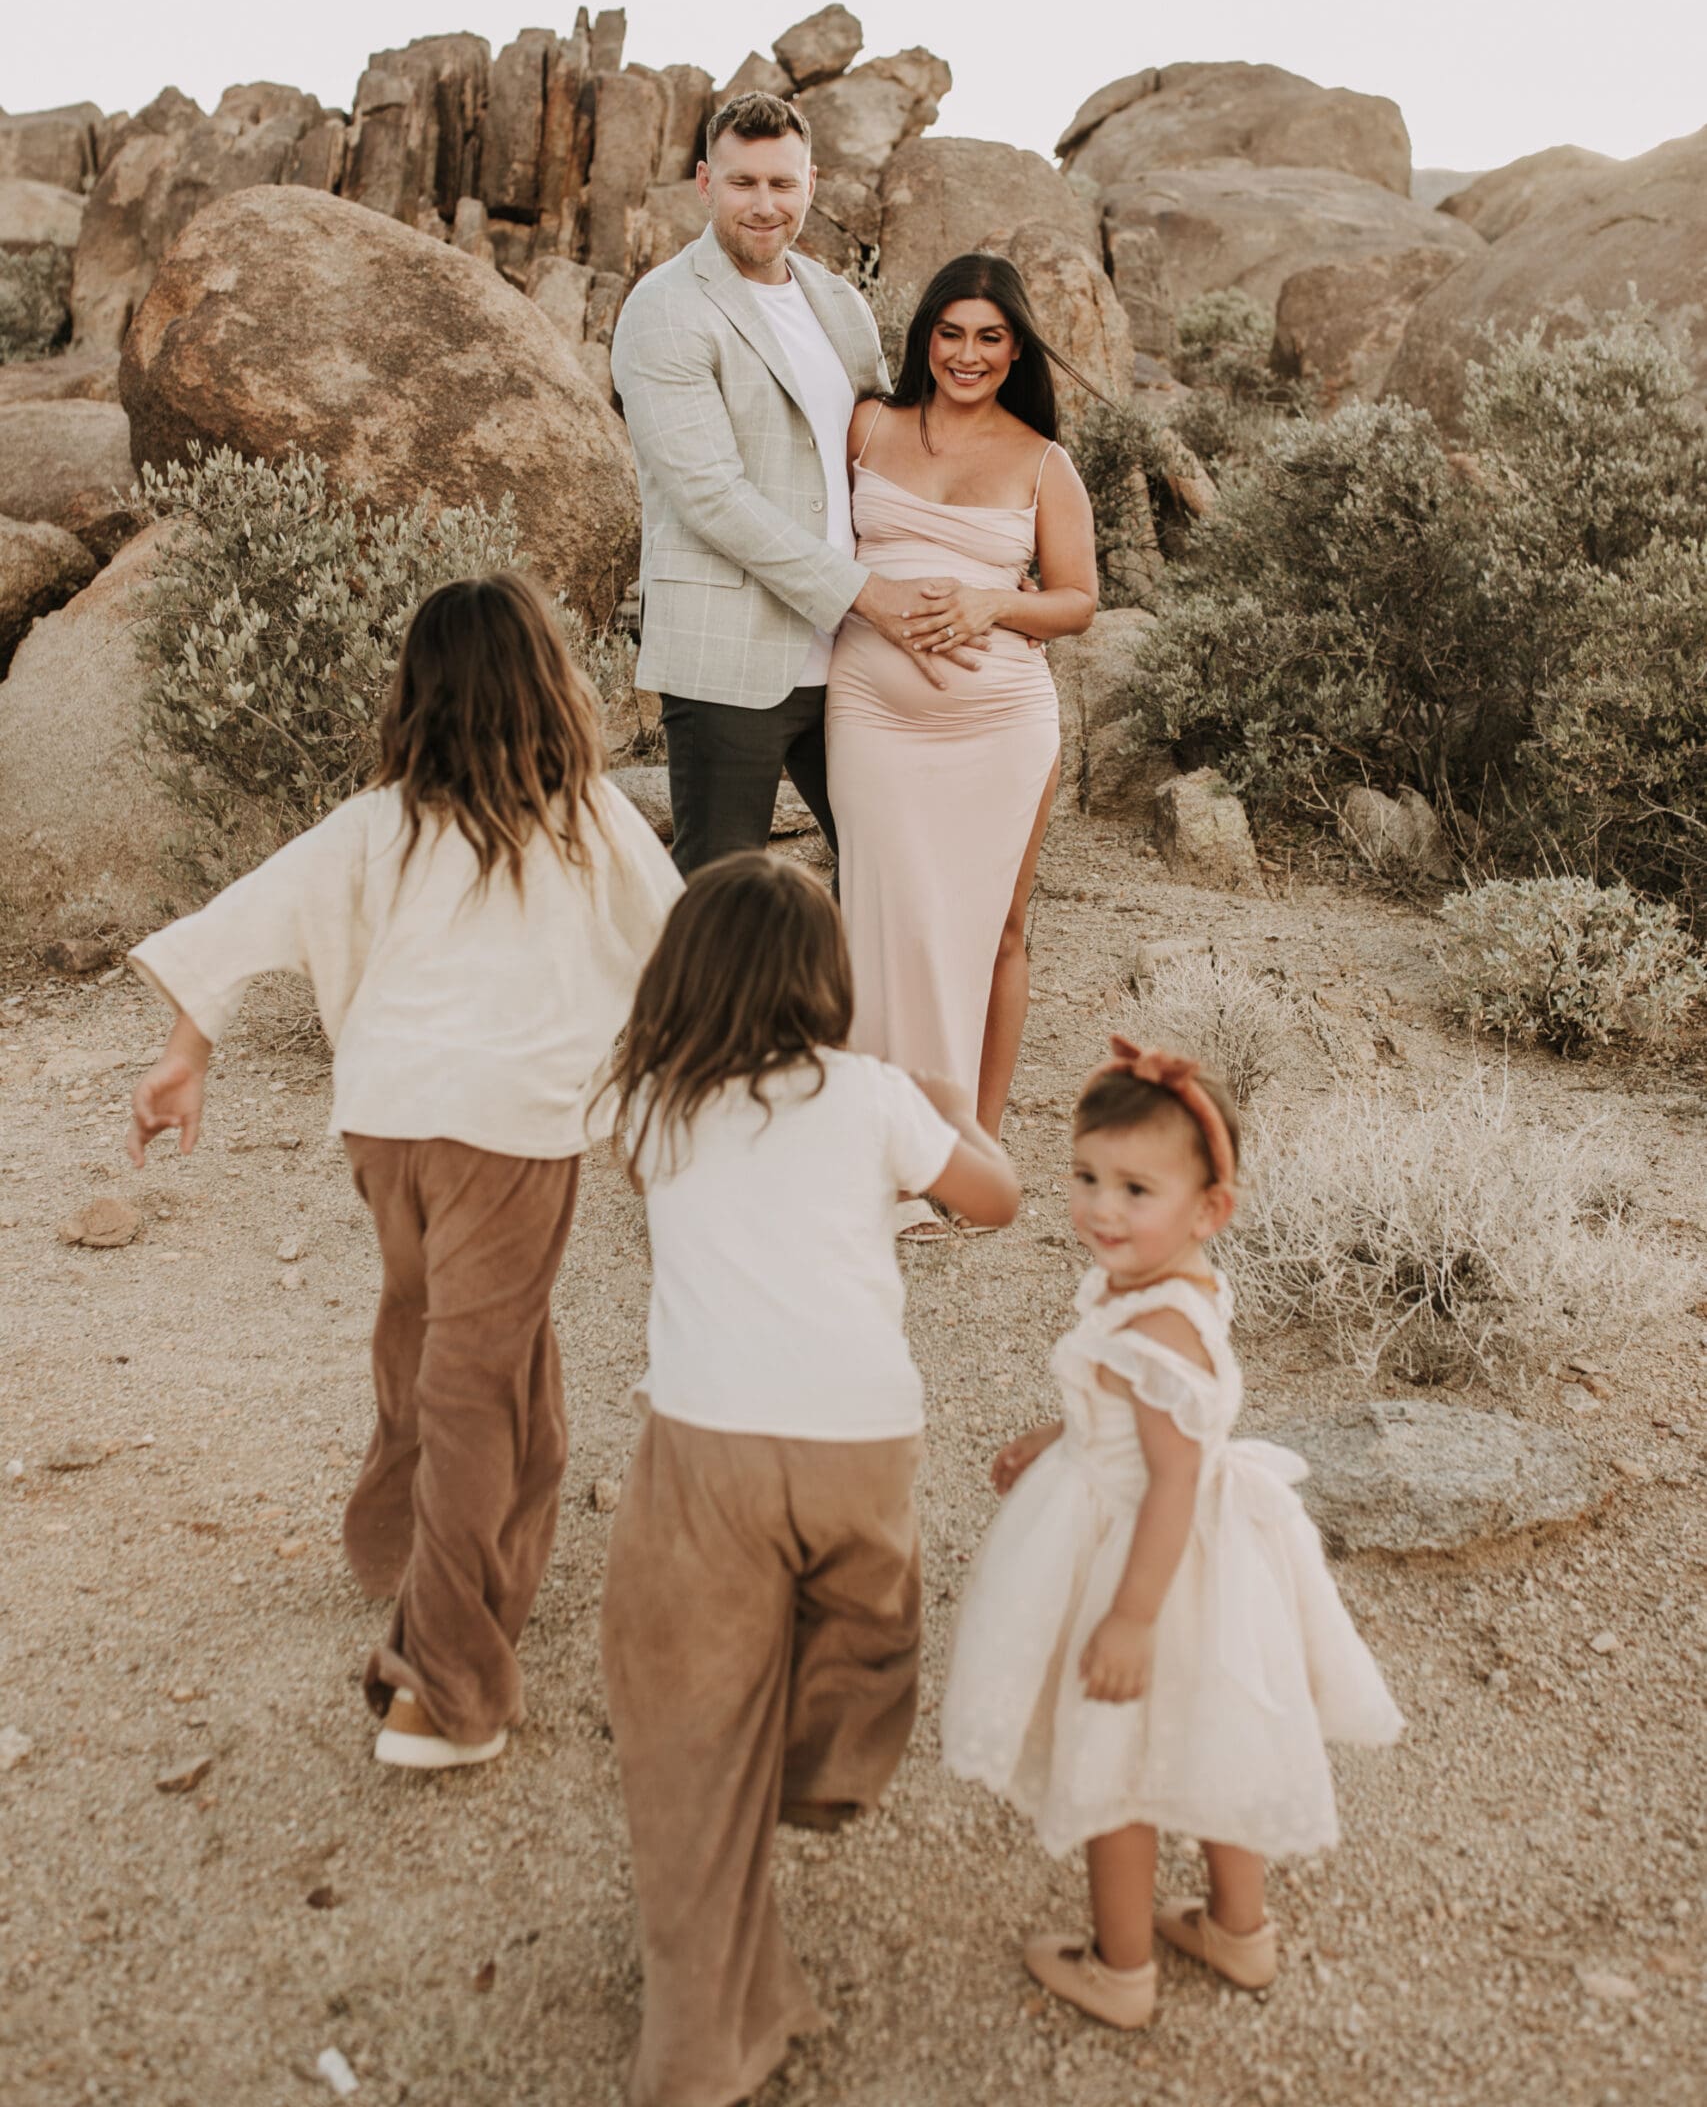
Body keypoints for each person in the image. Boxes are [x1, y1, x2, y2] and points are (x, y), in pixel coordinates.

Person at [125, 575, 682, 1771]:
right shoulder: (589, 817)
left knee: (443, 1332)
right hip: (510, 1131)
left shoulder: (376, 821)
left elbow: (241, 920)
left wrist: (183, 1059)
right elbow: (687, 948)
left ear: (415, 694)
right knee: (482, 1373)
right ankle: (441, 1679)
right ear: (551, 686)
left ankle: (401, 1526)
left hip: (387, 1121)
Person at [598, 850, 1020, 2107]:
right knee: (864, 1605)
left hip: (706, 1448)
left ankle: (697, 2050)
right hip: (857, 1442)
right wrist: (946, 1097)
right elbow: (995, 1200)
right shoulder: (873, 1092)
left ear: (683, 980)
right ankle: (835, 1749)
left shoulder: (654, 1100)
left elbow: (649, 1182)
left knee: (684, 1718)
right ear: (826, 983)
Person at [939, 1039, 1403, 2031]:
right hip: (1198, 1554)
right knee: (1214, 1737)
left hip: (1146, 1559)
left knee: (1117, 1766)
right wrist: (1052, 1436)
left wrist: (1129, 1618)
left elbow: (1173, 1474)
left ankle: (1122, 1966)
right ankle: (1239, 1931)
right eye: (1087, 1176)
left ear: (1209, 1210)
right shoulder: (1170, 1282)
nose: (1102, 1207)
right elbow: (1137, 1422)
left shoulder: (1156, 1330)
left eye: (1135, 1188)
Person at [612, 91, 985, 876]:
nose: (763, 205)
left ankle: (852, 1006)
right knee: (722, 897)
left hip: (851, 656)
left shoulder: (836, 302)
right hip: (729, 655)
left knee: (889, 871)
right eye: (744, 183)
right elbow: (709, 496)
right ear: (705, 182)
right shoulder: (666, 309)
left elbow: (886, 453)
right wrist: (867, 595)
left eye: (781, 185)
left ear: (810, 184)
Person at [825, 253, 1098, 1195]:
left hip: (1001, 727)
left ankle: (971, 1148)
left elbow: (1076, 602)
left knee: (1000, 928)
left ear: (1014, 347)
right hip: (868, 713)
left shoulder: (1041, 460)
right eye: (950, 333)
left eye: (988, 337)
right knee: (882, 917)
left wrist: (992, 608)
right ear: (924, 338)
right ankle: (877, 1140)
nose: (966, 355)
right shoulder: (867, 426)